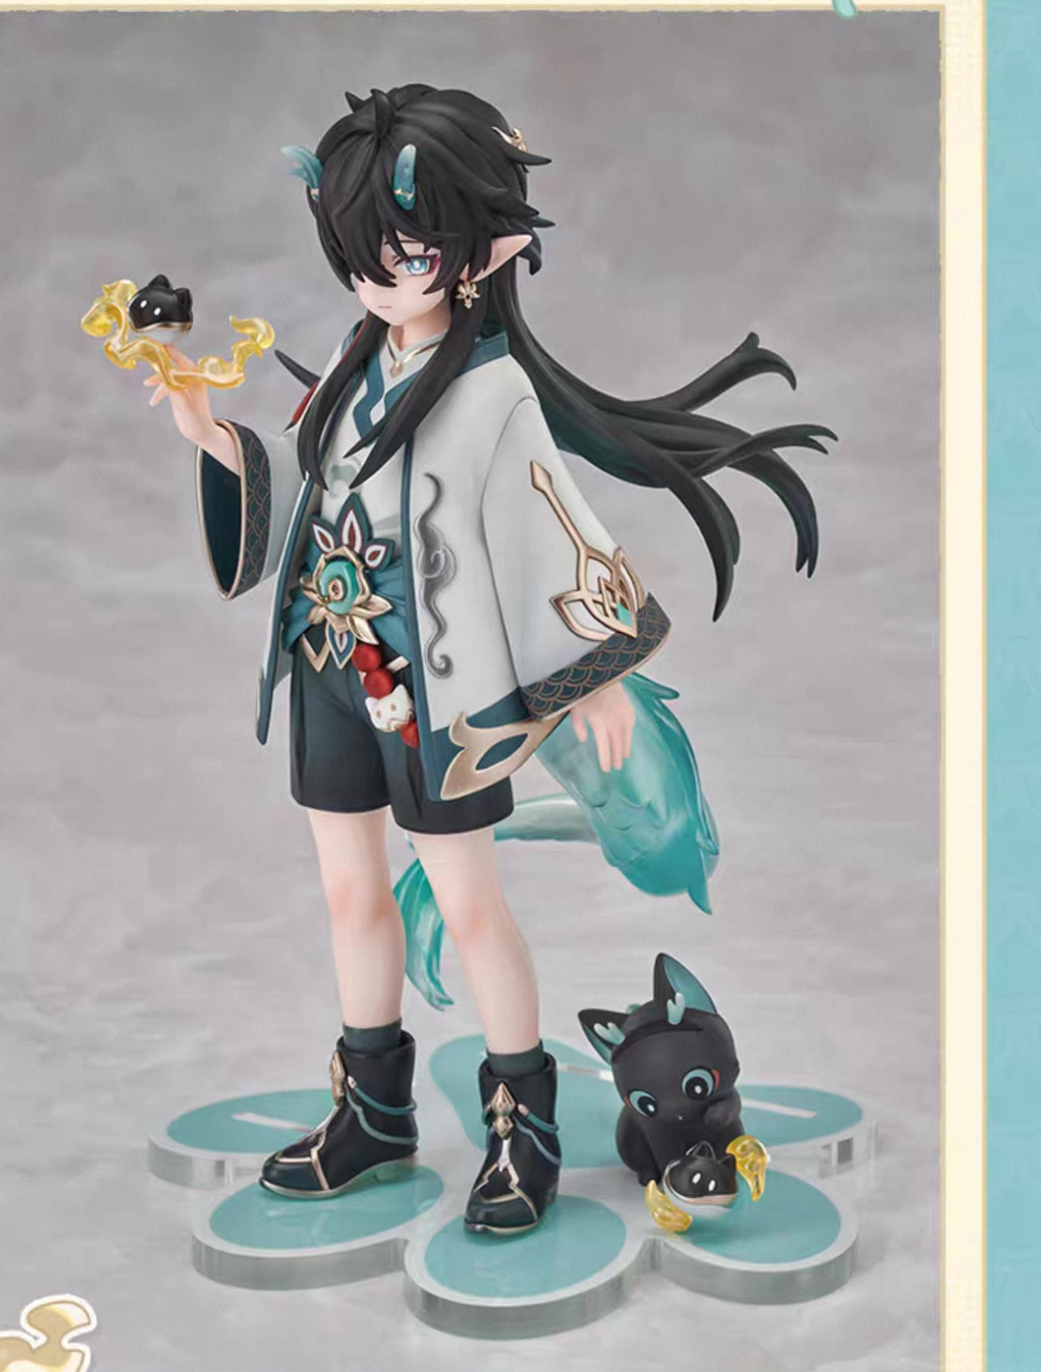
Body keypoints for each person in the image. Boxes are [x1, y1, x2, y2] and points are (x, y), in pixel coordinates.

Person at [142, 84, 832, 1234]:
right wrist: (215, 437)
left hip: (438, 690)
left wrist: (596, 668)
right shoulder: (359, 360)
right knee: (349, 890)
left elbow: (552, 521)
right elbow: (317, 491)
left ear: (482, 253)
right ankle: (373, 1112)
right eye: (359, 253)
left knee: (469, 907)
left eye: (406, 253)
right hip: (330, 657)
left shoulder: (492, 389)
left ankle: (526, 1130)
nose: (378, 278)